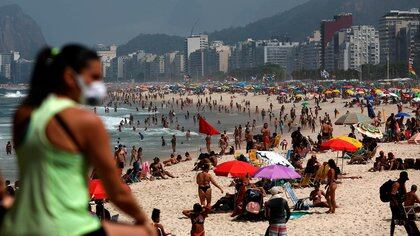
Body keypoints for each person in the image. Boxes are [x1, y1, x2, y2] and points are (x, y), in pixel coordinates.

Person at [0, 45, 153, 235]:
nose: (98, 85)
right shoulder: (86, 121)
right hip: (65, 228)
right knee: (145, 233)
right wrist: (143, 219)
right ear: (69, 77)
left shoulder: (22, 115)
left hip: (19, 226)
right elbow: (117, 192)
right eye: (94, 77)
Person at [389, 172, 419, 236]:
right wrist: (397, 204)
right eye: (405, 179)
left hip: (399, 205)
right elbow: (392, 195)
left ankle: (411, 233)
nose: (405, 180)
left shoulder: (402, 184)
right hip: (395, 205)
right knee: (399, 220)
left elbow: (405, 194)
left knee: (401, 219)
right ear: (402, 178)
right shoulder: (396, 184)